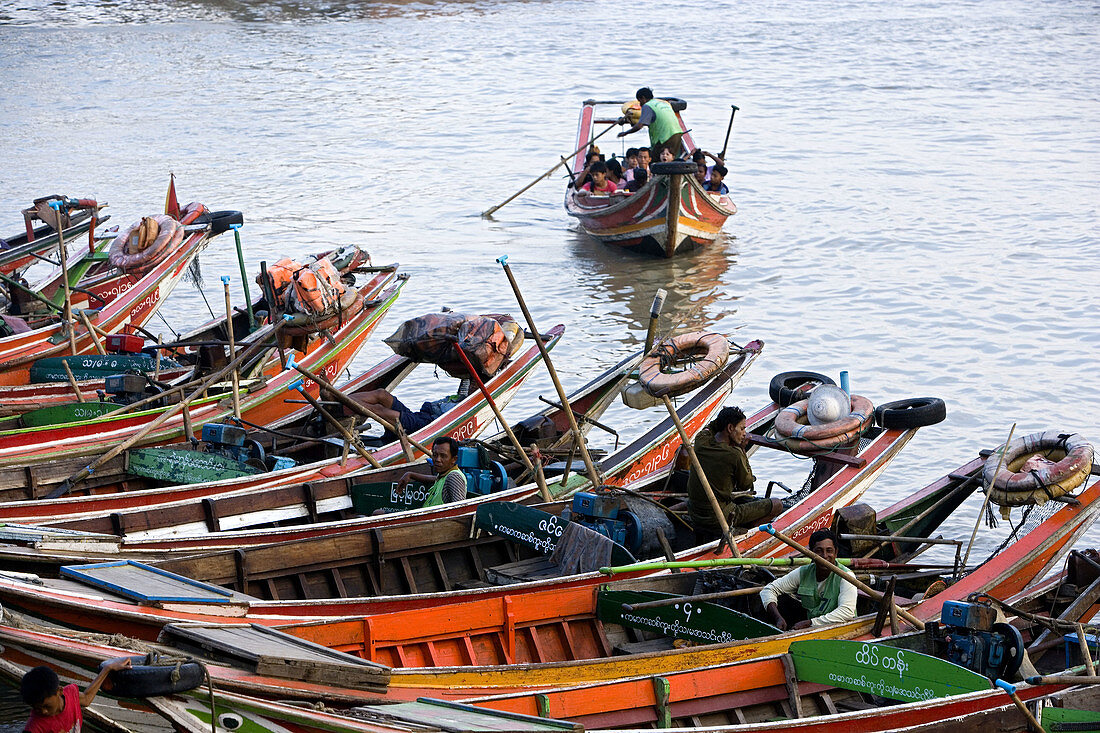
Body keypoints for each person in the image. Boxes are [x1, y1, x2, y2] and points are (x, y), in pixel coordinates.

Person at [685, 406, 783, 545]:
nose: (744, 433)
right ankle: (746, 537)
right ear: (730, 428)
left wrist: (725, 419)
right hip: (719, 516)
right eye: (742, 428)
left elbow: (711, 426)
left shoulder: (701, 440)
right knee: (777, 504)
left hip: (695, 512)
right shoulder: (734, 454)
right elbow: (747, 484)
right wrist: (742, 449)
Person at [759, 528, 858, 630]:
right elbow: (768, 590)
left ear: (836, 552)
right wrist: (778, 618)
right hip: (813, 631)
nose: (824, 556)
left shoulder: (846, 576)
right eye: (819, 551)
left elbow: (847, 612)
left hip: (841, 630)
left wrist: (810, 623)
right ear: (811, 553)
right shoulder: (803, 572)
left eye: (829, 551)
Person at [21, 659, 132, 733]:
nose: (43, 712)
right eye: (36, 708)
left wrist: (107, 668)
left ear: (59, 691)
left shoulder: (71, 693)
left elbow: (87, 698)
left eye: (47, 706)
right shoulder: (34, 727)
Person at [354, 382, 469, 435]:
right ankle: (340, 399)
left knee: (378, 410)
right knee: (381, 394)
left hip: (426, 426)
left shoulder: (468, 405)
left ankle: (347, 402)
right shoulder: (458, 397)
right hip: (419, 417)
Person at [396, 436, 467, 506]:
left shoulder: (454, 477)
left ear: (454, 459)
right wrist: (410, 475)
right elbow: (435, 479)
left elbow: (459, 511)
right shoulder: (443, 476)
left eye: (443, 456)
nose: (437, 460)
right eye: (435, 455)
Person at [617, 87, 683, 160]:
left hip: (665, 137)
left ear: (643, 98)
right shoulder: (663, 103)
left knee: (653, 159)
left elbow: (639, 125)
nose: (640, 104)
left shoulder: (647, 106)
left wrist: (626, 133)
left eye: (639, 101)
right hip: (677, 134)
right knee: (671, 159)